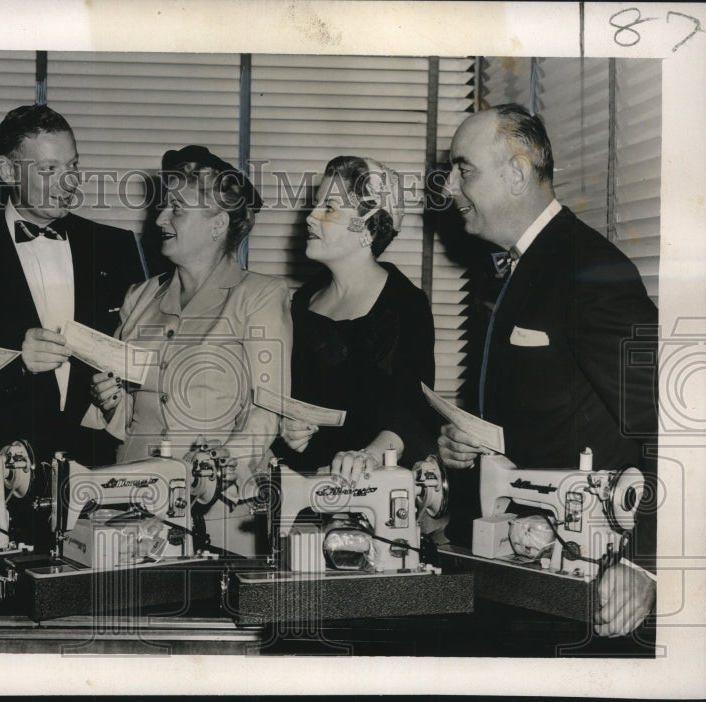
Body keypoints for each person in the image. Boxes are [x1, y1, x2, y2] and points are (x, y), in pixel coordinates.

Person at [432, 104, 658, 637]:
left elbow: (673, 424)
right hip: (522, 567)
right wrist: (469, 442)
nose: (448, 186)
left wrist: (645, 563)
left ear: (515, 174)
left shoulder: (589, 269)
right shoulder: (514, 267)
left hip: (587, 579)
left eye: (465, 170)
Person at [83, 145, 292, 555]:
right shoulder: (139, 297)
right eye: (163, 207)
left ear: (217, 224)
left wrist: (218, 466)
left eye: (177, 209)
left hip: (218, 507)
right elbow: (130, 410)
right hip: (131, 497)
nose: (160, 219)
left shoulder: (261, 296)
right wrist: (110, 402)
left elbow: (269, 411)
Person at [0, 104, 147, 467]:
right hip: (2, 467)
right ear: (6, 171)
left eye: (73, 166)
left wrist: (119, 394)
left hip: (97, 463)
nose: (69, 182)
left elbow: (139, 357)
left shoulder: (116, 248)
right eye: (49, 169)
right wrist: (17, 359)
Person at [271, 156, 438, 475]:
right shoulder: (304, 300)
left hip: (370, 484)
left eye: (329, 208)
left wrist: (370, 456)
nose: (310, 217)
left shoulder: (406, 304)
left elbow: (412, 410)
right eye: (315, 205)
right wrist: (288, 427)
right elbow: (292, 397)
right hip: (304, 480)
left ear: (369, 226)